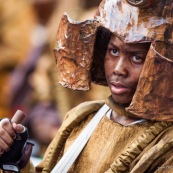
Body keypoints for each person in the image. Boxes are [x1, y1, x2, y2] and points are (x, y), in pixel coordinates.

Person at [0, 0, 173, 173]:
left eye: (137, 58)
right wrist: (14, 161)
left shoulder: (166, 145)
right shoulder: (80, 119)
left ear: (165, 65)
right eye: (114, 51)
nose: (119, 69)